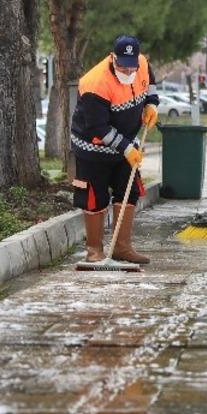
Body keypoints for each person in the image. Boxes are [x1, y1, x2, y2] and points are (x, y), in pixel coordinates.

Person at [70, 35, 159, 265]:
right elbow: (97, 126)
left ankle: (122, 247)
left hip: (126, 142)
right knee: (94, 196)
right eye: (122, 66)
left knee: (130, 191)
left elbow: (150, 81)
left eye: (131, 68)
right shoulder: (95, 84)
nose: (128, 72)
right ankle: (94, 251)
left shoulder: (141, 64)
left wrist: (152, 103)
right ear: (113, 58)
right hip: (92, 146)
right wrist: (126, 148)